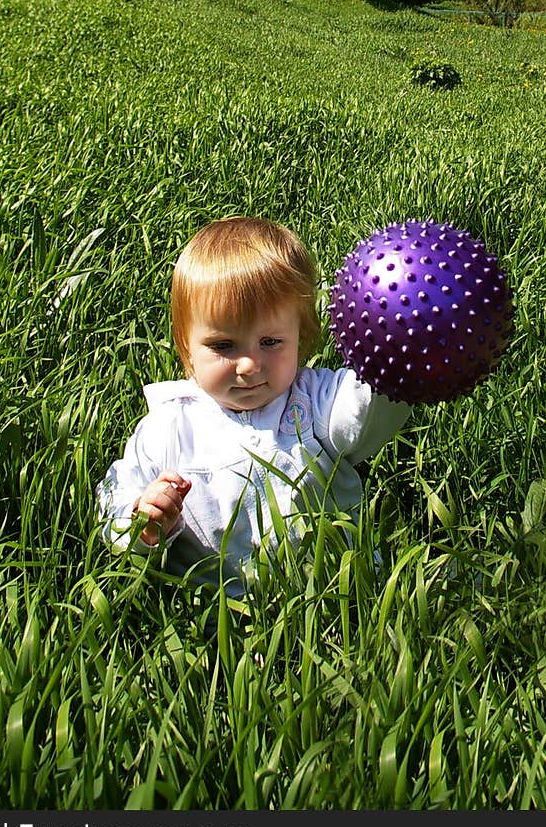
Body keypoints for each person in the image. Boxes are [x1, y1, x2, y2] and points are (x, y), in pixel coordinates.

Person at [97, 216, 412, 597]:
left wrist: (395, 360)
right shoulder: (168, 427)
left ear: (301, 337)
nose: (248, 365)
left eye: (270, 342)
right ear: (187, 349)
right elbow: (115, 493)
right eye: (223, 346)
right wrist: (142, 519)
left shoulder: (314, 398)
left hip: (340, 601)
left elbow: (367, 413)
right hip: (216, 621)